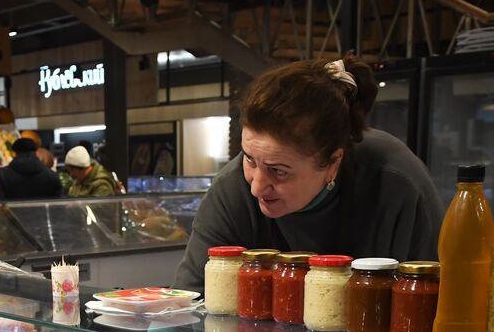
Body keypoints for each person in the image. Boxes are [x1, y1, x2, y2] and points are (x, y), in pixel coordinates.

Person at [172, 54, 442, 292]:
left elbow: (438, 310)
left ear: (333, 163)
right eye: (250, 160)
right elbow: (185, 305)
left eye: (278, 171)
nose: (256, 187)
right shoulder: (232, 189)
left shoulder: (397, 184)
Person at [0, 136, 63, 200]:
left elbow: (0, 202)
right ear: (36, 152)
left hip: (14, 212)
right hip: (43, 212)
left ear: (15, 153)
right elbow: (58, 202)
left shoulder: (4, 175)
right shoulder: (51, 175)